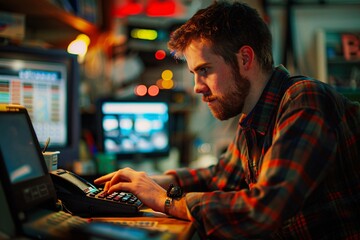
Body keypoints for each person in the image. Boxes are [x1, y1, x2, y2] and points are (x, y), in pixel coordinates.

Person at [94, 1, 360, 238]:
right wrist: (152, 182)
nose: (197, 87)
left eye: (205, 70)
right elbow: (218, 176)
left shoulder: (305, 100)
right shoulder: (253, 117)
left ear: (245, 58)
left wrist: (164, 200)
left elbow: (263, 211)